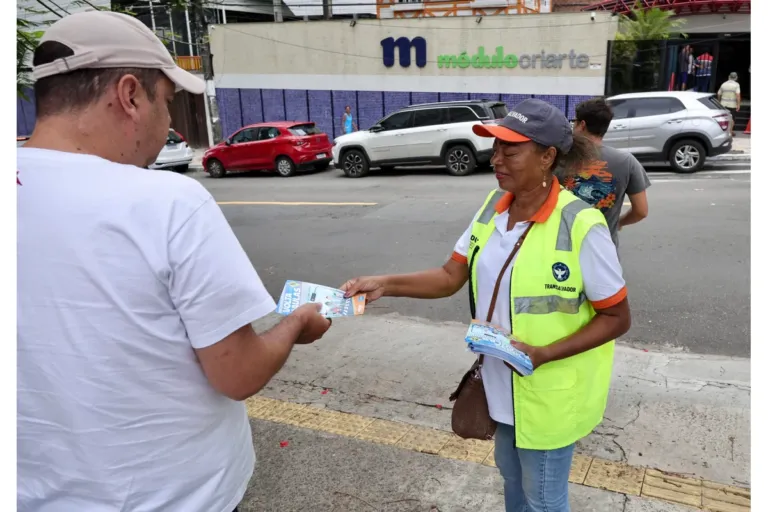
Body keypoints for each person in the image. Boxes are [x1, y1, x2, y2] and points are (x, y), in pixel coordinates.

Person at [17, 11, 332, 512]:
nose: (168, 123)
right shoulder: (168, 201)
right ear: (129, 95)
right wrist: (297, 322)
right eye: (166, 101)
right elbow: (239, 373)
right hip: (170, 497)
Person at [340, 99, 631, 512]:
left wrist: (543, 354)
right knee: (512, 481)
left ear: (547, 157)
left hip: (548, 393)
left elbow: (617, 316)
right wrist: (384, 284)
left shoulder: (581, 224)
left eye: (510, 151)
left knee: (543, 500)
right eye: (495, 149)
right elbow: (449, 276)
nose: (496, 159)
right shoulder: (491, 209)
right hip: (499, 383)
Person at [559, 98, 651, 249]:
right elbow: (641, 211)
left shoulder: (560, 157)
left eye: (574, 122)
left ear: (582, 125)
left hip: (563, 247)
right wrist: (619, 223)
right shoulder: (627, 161)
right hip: (603, 248)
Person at [718, 72, 741, 137]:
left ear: (729, 76)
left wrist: (719, 102)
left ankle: (723, 132)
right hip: (732, 105)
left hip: (723, 105)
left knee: (723, 118)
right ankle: (730, 132)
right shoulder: (736, 85)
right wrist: (738, 105)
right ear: (736, 77)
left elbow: (719, 94)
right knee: (732, 119)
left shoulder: (723, 84)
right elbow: (738, 95)